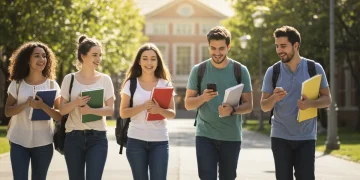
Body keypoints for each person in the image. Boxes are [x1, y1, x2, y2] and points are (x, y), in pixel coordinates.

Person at [260, 26, 332, 180]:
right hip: (280, 136)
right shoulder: (273, 72)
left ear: (296, 45)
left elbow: (327, 100)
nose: (279, 50)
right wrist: (274, 98)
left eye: (283, 46)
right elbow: (264, 106)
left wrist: (310, 104)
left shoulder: (314, 68)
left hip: (306, 137)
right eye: (277, 46)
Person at [184, 26, 253, 180]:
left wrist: (232, 111)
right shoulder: (199, 70)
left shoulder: (240, 70)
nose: (217, 53)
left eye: (221, 49)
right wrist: (203, 98)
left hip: (231, 136)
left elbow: (249, 105)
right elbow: (188, 104)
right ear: (208, 47)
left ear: (228, 47)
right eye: (213, 48)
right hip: (205, 135)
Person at [59, 35, 115, 180]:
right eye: (94, 55)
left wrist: (91, 110)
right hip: (73, 138)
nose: (99, 59)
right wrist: (76, 102)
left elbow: (110, 110)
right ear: (83, 56)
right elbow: (62, 110)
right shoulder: (69, 79)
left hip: (97, 138)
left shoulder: (105, 79)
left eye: (100, 55)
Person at [5, 41, 62, 180]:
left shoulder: (52, 84)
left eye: (44, 56)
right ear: (28, 60)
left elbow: (60, 116)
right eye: (37, 56)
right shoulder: (17, 84)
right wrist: (25, 104)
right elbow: (7, 111)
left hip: (44, 142)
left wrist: (42, 106)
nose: (42, 59)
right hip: (19, 141)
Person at [119, 43, 176, 180]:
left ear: (158, 62)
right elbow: (123, 113)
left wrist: (159, 110)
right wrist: (143, 106)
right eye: (145, 58)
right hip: (136, 141)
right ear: (139, 61)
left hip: (160, 141)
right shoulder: (131, 84)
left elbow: (172, 114)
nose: (149, 62)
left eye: (153, 59)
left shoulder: (165, 84)